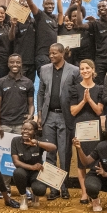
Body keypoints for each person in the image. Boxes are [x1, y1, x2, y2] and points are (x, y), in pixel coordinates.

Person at [37, 43, 78, 200]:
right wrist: (40, 114)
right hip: (49, 117)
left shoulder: (74, 70)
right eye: (50, 53)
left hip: (66, 117)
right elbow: (40, 93)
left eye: (54, 53)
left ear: (62, 54)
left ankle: (64, 186)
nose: (51, 56)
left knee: (65, 153)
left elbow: (76, 94)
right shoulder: (44, 69)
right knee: (50, 154)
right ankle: (53, 188)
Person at [70, 59, 105, 204]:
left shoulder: (100, 88)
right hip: (80, 127)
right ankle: (84, 192)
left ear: (93, 69)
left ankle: (92, 190)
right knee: (81, 162)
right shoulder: (74, 89)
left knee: (94, 160)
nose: (84, 71)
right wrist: (83, 101)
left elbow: (99, 110)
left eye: (87, 68)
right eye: (82, 69)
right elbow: (73, 111)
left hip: (95, 128)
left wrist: (89, 99)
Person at [10, 119, 57, 210]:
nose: (25, 131)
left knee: (40, 190)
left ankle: (35, 195)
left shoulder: (38, 140)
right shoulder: (15, 140)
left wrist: (38, 143)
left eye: (29, 129)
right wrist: (32, 167)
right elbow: (16, 162)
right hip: (23, 171)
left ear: (35, 131)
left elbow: (53, 147)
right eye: (23, 129)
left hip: (36, 173)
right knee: (17, 172)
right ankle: (23, 197)